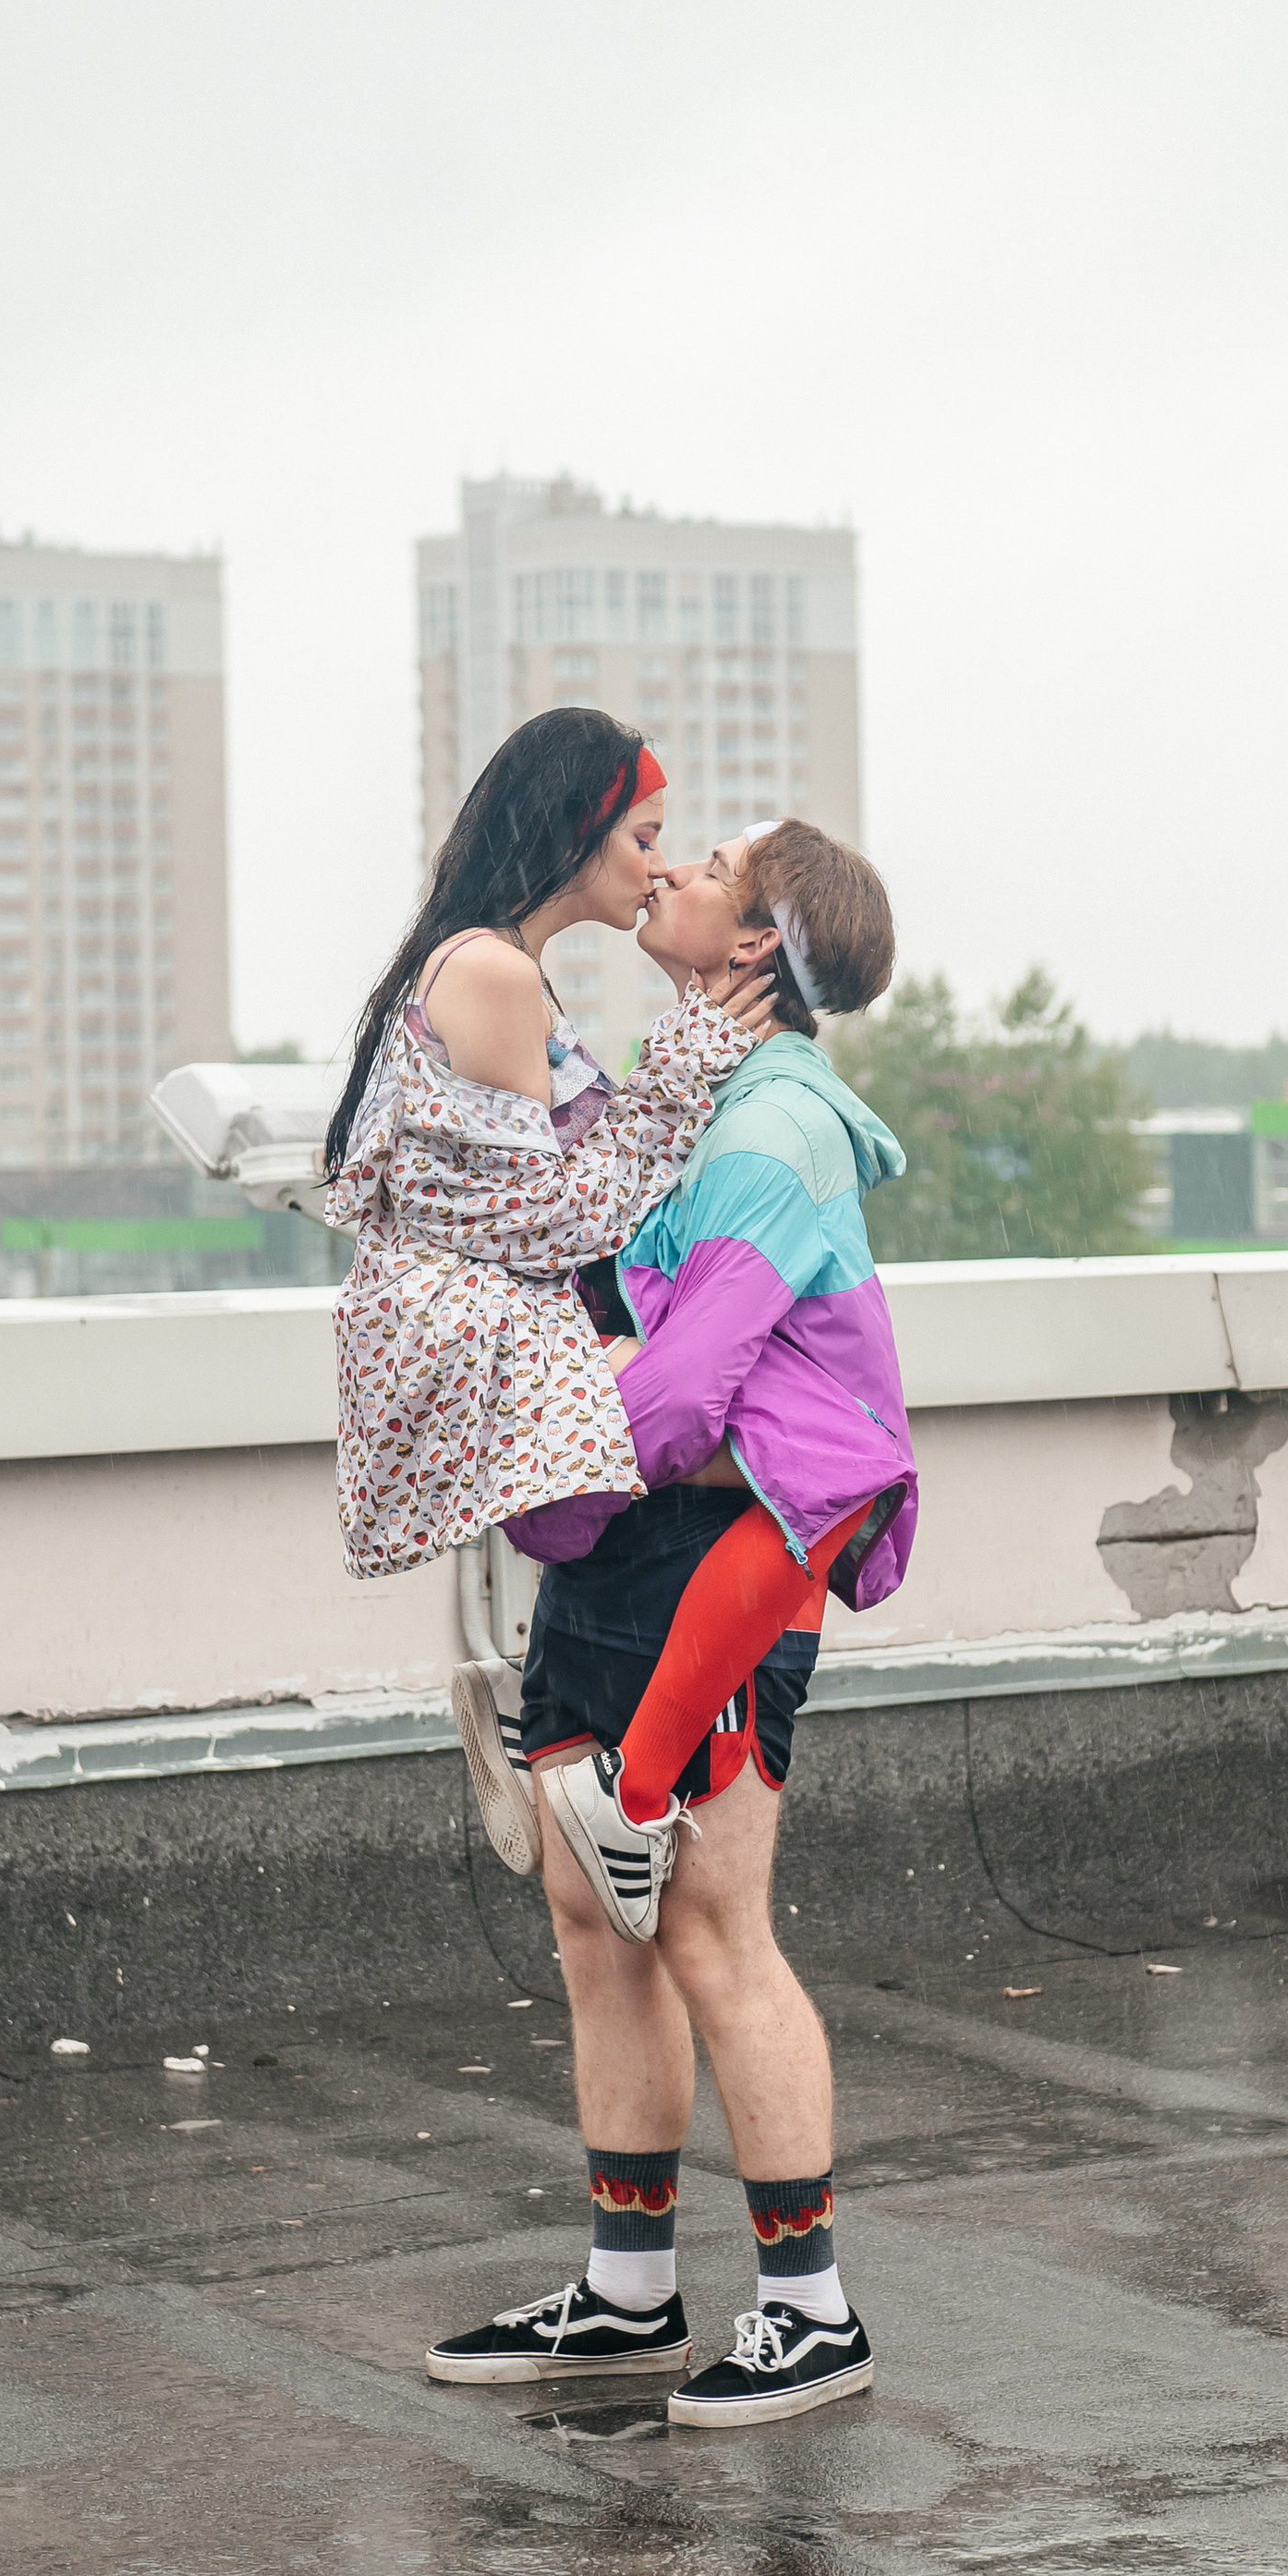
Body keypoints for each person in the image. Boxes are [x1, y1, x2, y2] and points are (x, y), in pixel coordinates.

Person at [427, 818, 915, 2427]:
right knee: (593, 1913)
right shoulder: (697, 1090)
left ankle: (812, 2309)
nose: (678, 870)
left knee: (709, 1923)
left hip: (714, 1543)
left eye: (710, 862)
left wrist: (534, 1450)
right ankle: (629, 2289)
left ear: (759, 940)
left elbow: (691, 1379)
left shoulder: (776, 1121)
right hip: (627, 1538)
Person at [322, 705, 772, 1593]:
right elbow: (542, 1221)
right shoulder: (494, 971)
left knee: (759, 1428)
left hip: (488, 1333)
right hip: (481, 1343)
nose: (658, 868)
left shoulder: (492, 962)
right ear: (578, 832)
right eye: (644, 838)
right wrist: (680, 1067)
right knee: (789, 1440)